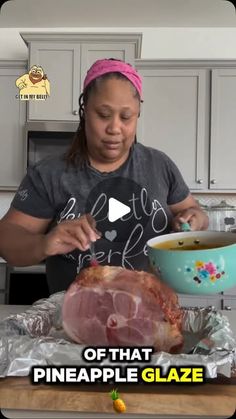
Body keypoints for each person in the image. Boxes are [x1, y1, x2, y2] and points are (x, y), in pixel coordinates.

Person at [0, 58, 208, 294]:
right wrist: (43, 244)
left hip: (149, 315)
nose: (115, 128)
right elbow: (6, 239)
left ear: (137, 115)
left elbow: (195, 212)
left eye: (126, 117)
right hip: (77, 319)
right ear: (84, 112)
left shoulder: (159, 165)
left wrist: (194, 218)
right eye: (103, 114)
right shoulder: (49, 174)